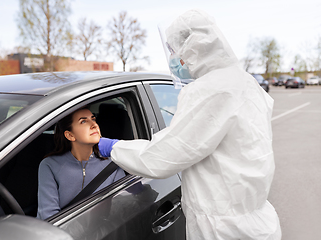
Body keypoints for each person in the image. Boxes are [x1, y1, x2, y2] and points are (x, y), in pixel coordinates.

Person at [99, 9, 281, 240]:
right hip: (254, 220)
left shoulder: (210, 89)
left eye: (174, 50)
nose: (173, 58)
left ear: (193, 48)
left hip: (223, 229)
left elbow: (165, 154)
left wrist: (113, 147)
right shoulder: (244, 82)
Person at [37, 107, 125, 220]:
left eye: (93, 119)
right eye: (83, 121)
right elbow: (48, 216)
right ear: (70, 135)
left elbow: (121, 211)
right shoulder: (50, 165)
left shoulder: (112, 165)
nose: (94, 125)